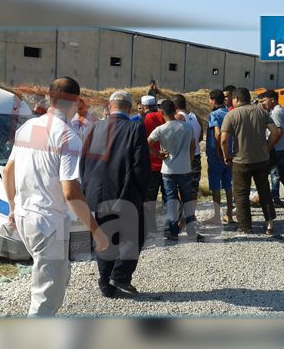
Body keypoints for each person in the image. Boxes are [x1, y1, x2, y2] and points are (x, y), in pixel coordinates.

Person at [2, 77, 109, 316]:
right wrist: (96, 231)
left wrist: (12, 207)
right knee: (44, 302)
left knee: (54, 279)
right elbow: (70, 192)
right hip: (48, 224)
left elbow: (8, 171)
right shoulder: (67, 136)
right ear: (76, 101)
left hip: (24, 217)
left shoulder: (28, 128)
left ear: (50, 97)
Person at [80, 90, 151, 297]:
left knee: (104, 236)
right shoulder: (134, 128)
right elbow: (140, 165)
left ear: (110, 107)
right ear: (129, 109)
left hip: (97, 192)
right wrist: (142, 191)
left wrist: (86, 187)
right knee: (134, 234)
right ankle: (120, 274)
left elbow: (83, 160)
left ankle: (105, 283)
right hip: (124, 191)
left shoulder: (94, 127)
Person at [220, 87, 281, 235]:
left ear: (236, 99)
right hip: (261, 159)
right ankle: (270, 225)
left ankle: (245, 226)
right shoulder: (262, 112)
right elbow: (275, 132)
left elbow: (223, 139)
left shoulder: (231, 115)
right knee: (264, 191)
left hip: (241, 160)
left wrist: (226, 155)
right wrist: (266, 147)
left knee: (241, 194)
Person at [148, 100, 202, 242]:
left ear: (161, 113)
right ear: (175, 111)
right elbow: (192, 146)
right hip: (185, 168)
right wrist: (189, 161)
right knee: (188, 200)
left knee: (171, 201)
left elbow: (147, 144)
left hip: (168, 169)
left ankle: (173, 232)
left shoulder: (160, 129)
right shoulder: (187, 127)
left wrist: (158, 154)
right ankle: (191, 231)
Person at [203, 89, 234, 224]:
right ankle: (229, 214)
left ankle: (216, 215)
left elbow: (217, 133)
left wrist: (218, 150)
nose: (209, 102)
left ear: (214, 100)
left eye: (209, 100)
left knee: (215, 185)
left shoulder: (214, 115)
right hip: (230, 153)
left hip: (217, 155)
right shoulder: (230, 113)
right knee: (228, 184)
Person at [261, 89, 284, 208]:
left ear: (272, 100)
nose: (263, 102)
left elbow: (278, 131)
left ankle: (263, 198)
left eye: (265, 100)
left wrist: (268, 147)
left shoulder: (276, 113)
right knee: (283, 174)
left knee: (264, 173)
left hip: (276, 149)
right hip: (283, 148)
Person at [141, 95, 166, 239]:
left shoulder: (144, 119)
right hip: (166, 162)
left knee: (150, 199)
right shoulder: (162, 115)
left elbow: (144, 142)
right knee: (168, 197)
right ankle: (170, 226)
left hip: (151, 163)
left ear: (143, 106)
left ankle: (151, 228)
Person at [173, 94, 203, 200]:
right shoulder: (196, 117)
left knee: (181, 188)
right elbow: (199, 138)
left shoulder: (178, 117)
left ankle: (182, 215)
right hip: (197, 156)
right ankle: (191, 214)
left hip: (184, 157)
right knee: (193, 188)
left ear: (174, 106)